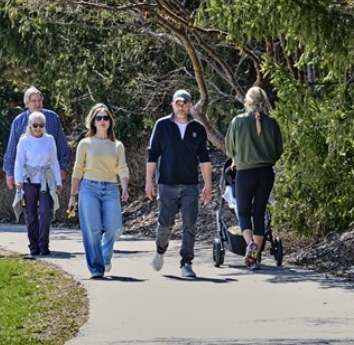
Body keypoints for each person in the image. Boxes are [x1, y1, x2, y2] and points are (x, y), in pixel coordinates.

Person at [145, 88, 212, 278]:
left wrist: (208, 184)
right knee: (165, 224)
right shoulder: (162, 126)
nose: (181, 107)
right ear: (172, 105)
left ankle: (186, 263)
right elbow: (152, 154)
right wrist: (149, 181)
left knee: (190, 225)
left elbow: (204, 158)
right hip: (167, 183)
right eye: (178, 103)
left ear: (190, 105)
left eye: (184, 104)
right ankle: (160, 250)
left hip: (190, 185)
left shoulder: (198, 129)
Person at [225, 86, 283, 270]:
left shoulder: (237, 121)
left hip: (245, 173)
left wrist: (237, 157)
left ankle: (250, 244)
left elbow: (229, 149)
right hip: (266, 173)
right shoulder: (272, 123)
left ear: (247, 102)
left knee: (244, 212)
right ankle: (255, 259)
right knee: (259, 213)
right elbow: (278, 150)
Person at [68, 104, 129, 278]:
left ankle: (105, 255)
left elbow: (122, 167)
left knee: (114, 228)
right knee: (92, 229)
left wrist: (124, 187)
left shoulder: (117, 145)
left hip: (110, 188)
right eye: (99, 118)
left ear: (110, 121)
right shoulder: (85, 144)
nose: (102, 121)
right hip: (89, 188)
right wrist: (72, 196)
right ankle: (96, 268)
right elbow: (78, 169)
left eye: (105, 118)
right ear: (93, 122)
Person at [14, 111, 63, 256]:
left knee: (45, 211)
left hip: (45, 181)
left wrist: (58, 182)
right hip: (29, 181)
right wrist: (18, 180)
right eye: (35, 125)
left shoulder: (49, 140)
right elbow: (19, 162)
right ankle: (34, 245)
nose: (38, 128)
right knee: (31, 214)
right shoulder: (24, 141)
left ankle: (44, 244)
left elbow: (54, 162)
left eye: (41, 125)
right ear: (30, 125)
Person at [3, 86, 70, 191]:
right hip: (27, 177)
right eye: (34, 101)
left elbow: (61, 145)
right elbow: (11, 150)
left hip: (49, 174)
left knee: (48, 201)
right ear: (27, 103)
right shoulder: (19, 121)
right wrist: (10, 173)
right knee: (28, 201)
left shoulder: (52, 118)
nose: (37, 104)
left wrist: (63, 167)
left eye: (39, 100)